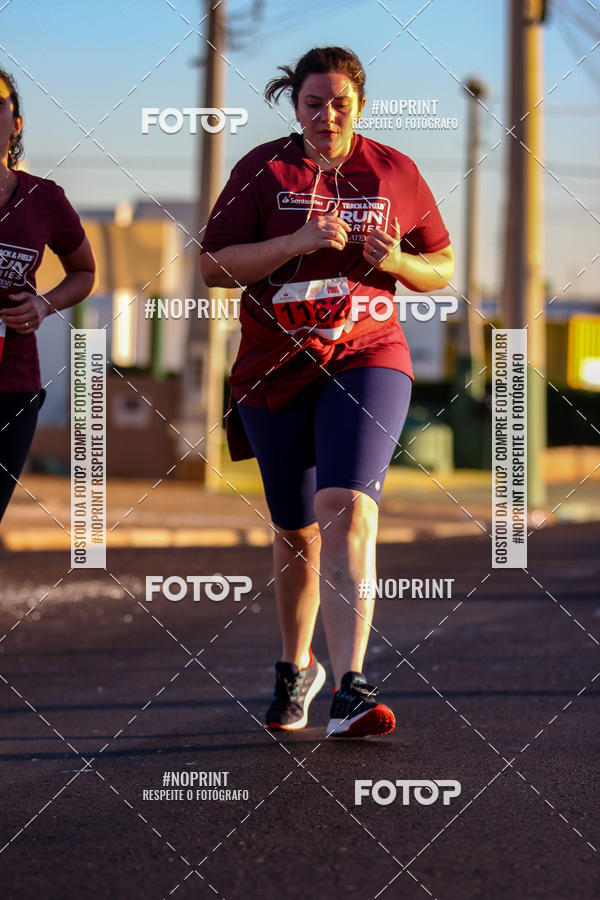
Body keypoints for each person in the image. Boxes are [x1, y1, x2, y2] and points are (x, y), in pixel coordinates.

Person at [200, 47, 454, 737]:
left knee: (346, 505)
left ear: (360, 105)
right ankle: (296, 667)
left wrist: (396, 259)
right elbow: (213, 267)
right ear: (296, 106)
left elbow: (444, 265)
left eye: (340, 102)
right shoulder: (262, 169)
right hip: (273, 372)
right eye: (314, 103)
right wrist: (296, 241)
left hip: (368, 355)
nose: (327, 115)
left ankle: (352, 688)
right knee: (295, 534)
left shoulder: (394, 170)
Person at [0, 69, 97, 522]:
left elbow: (84, 271)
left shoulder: (44, 199)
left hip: (12, 385)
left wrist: (42, 303)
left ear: (15, 122)